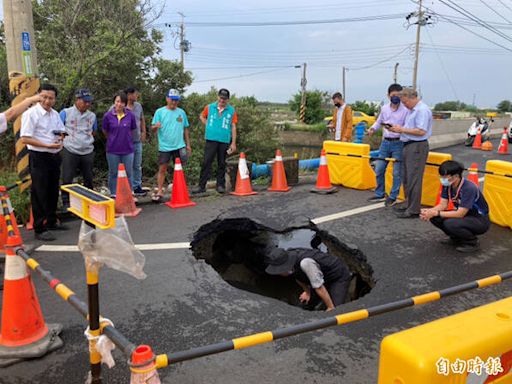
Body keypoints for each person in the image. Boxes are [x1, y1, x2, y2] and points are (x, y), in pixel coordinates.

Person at [20, 84, 68, 241]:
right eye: (44, 97)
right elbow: (25, 138)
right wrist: (47, 145)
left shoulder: (54, 114)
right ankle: (39, 228)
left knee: (53, 189)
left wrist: (61, 137)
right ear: (38, 96)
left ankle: (52, 220)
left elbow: (61, 130)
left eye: (51, 98)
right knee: (39, 191)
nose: (47, 101)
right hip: (39, 155)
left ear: (55, 99)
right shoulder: (31, 114)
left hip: (54, 155)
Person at [420, 160, 490, 253]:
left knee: (450, 223)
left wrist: (436, 212)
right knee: (435, 217)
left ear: (456, 176)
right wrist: (429, 212)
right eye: (441, 176)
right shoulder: (448, 184)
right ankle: (455, 238)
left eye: (445, 177)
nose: (442, 179)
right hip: (465, 215)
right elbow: (442, 204)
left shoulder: (469, 188)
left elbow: (460, 214)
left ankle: (472, 242)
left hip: (479, 219)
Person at [388, 87, 432, 218]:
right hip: (408, 144)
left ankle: (413, 209)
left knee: (414, 178)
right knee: (407, 177)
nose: (405, 105)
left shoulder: (421, 110)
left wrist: (402, 130)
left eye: (406, 102)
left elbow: (421, 131)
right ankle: (409, 204)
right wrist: (400, 130)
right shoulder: (412, 110)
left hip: (417, 146)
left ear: (413, 98)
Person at [265, 247, 352, 311]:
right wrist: (307, 292)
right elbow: (298, 277)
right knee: (307, 304)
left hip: (337, 275)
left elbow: (319, 287)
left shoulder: (306, 263)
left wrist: (330, 307)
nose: (278, 272)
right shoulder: (289, 260)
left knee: (335, 312)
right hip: (318, 274)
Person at [367, 84, 408, 207]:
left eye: (398, 95)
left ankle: (393, 196)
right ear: (388, 95)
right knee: (379, 169)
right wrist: (372, 129)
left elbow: (408, 127)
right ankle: (380, 193)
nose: (395, 97)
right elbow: (379, 121)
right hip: (385, 142)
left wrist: (399, 129)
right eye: (393, 95)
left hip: (399, 143)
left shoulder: (406, 110)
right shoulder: (384, 108)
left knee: (396, 172)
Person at [193, 88, 237, 194]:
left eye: (225, 99)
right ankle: (201, 186)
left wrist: (233, 143)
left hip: (224, 140)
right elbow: (201, 116)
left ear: (228, 99)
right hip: (211, 139)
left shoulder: (231, 110)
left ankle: (220, 185)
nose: (222, 100)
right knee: (206, 162)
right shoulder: (209, 107)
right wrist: (208, 124)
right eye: (221, 98)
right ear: (218, 97)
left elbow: (233, 126)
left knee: (221, 163)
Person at [150, 89, 191, 202]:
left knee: (180, 169)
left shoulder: (181, 112)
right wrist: (155, 127)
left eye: (176, 100)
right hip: (165, 146)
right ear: (167, 99)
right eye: (172, 100)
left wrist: (188, 145)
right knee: (162, 168)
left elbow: (186, 129)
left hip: (180, 145)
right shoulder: (160, 112)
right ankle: (159, 190)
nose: (174, 102)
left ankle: (180, 189)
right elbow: (152, 129)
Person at [60, 88, 97, 208]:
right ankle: (66, 203)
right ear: (77, 100)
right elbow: (59, 130)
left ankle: (89, 202)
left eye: (89, 102)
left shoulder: (92, 116)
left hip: (87, 150)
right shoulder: (65, 112)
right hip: (69, 149)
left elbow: (94, 132)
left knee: (88, 178)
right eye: (85, 101)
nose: (87, 104)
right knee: (67, 177)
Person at [102, 91, 137, 197]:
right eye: (117, 101)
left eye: (122, 102)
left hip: (128, 149)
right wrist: (113, 138)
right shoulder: (108, 116)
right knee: (113, 173)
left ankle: (129, 193)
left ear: (125, 104)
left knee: (129, 173)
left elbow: (132, 129)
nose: (119, 104)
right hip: (112, 150)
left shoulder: (130, 115)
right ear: (114, 102)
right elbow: (105, 131)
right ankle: (113, 193)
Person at [125, 86, 147, 197]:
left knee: (137, 165)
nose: (136, 96)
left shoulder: (138, 106)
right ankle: (127, 188)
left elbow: (142, 119)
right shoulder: (121, 106)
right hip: (125, 142)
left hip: (137, 140)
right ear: (129, 95)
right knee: (126, 165)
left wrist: (144, 132)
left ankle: (137, 186)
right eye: (135, 94)